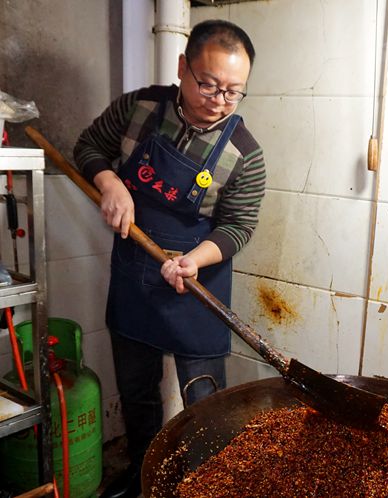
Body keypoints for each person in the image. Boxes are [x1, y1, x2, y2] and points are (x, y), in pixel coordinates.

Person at [73, 20, 265, 498]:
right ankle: (143, 477)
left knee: (205, 402)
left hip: (196, 285)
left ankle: (203, 486)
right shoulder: (138, 108)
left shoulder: (245, 154)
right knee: (136, 393)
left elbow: (238, 227)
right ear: (183, 68)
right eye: (207, 84)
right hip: (135, 277)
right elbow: (88, 147)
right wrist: (111, 182)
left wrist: (195, 259)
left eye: (233, 92)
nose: (217, 100)